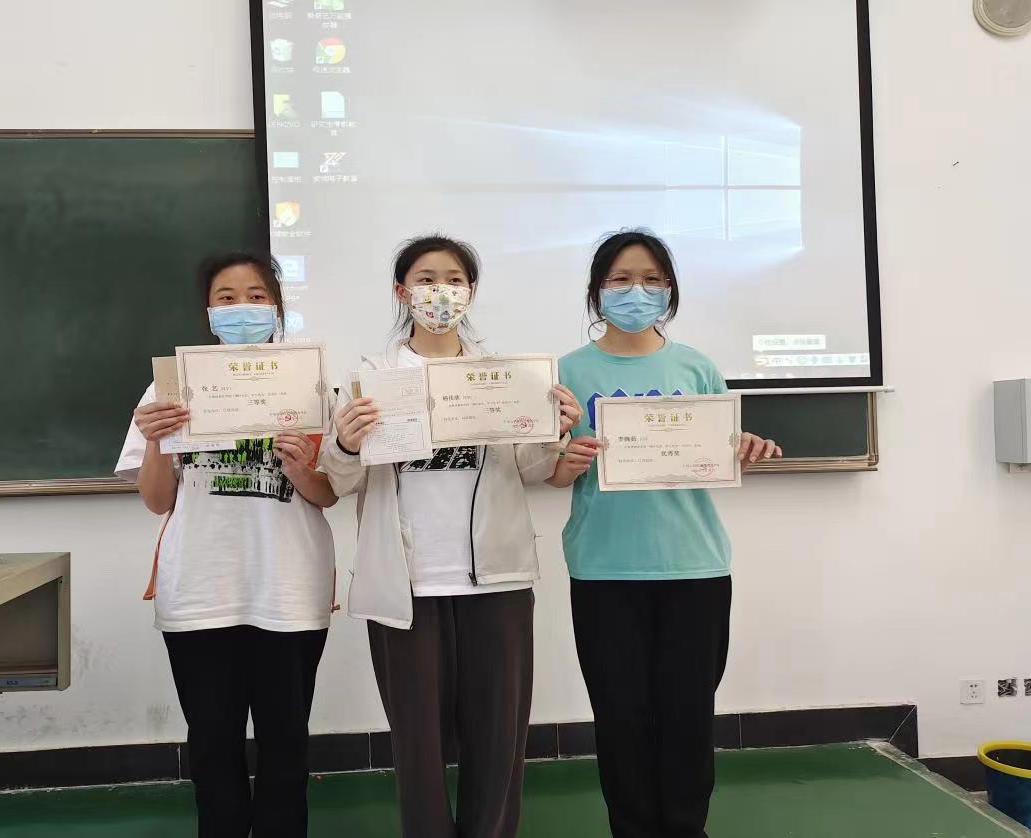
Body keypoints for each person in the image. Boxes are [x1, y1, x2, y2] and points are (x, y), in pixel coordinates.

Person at [320, 235, 583, 838]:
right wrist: (346, 444)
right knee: (417, 747)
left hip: (498, 580)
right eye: (426, 279)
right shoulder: (369, 380)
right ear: (402, 291)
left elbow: (533, 468)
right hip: (406, 586)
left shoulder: (504, 376)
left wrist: (554, 429)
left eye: (454, 280)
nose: (441, 292)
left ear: (470, 293)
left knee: (500, 739)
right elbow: (339, 481)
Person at [548, 229, 782, 838]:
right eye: (621, 279)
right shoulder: (566, 371)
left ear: (670, 290)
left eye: (652, 280)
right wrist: (566, 462)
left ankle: (685, 828)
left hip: (695, 567)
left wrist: (743, 447)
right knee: (619, 717)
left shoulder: (696, 367)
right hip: (604, 567)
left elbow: (715, 452)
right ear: (598, 290)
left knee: (688, 716)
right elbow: (548, 470)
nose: (637, 291)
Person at [114, 252, 337, 838]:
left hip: (289, 588)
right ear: (208, 311)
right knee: (212, 746)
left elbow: (329, 494)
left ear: (278, 307)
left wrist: (300, 467)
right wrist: (156, 441)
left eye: (256, 296)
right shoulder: (172, 386)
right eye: (227, 297)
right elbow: (158, 500)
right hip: (200, 589)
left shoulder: (312, 384)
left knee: (286, 744)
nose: (243, 308)